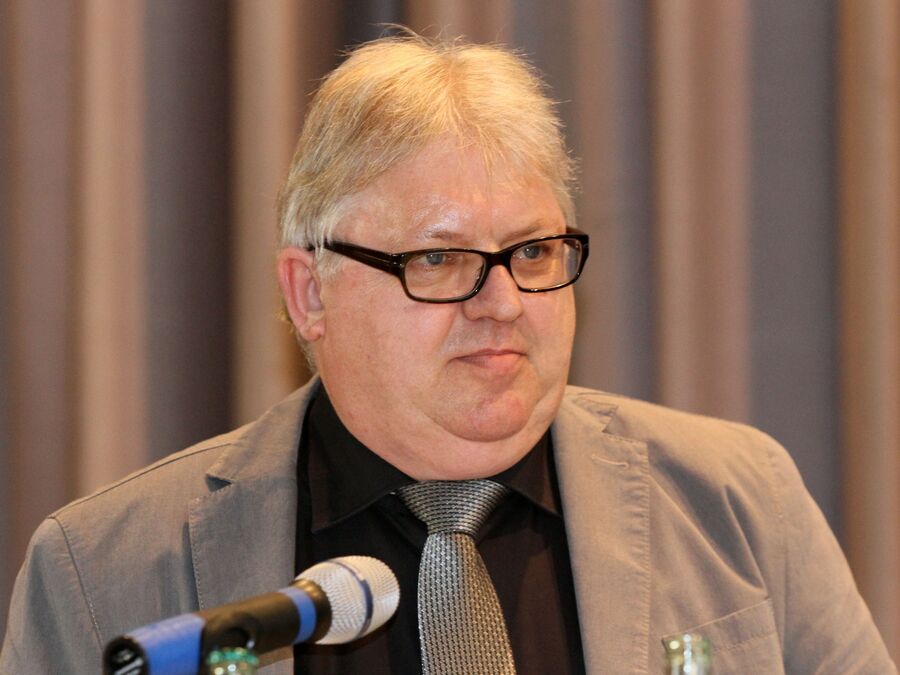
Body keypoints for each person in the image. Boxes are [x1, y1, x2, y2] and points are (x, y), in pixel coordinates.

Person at [1, 34, 895, 675]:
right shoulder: (101, 571)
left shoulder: (740, 502)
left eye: (533, 251)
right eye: (438, 259)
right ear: (310, 292)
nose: (502, 302)